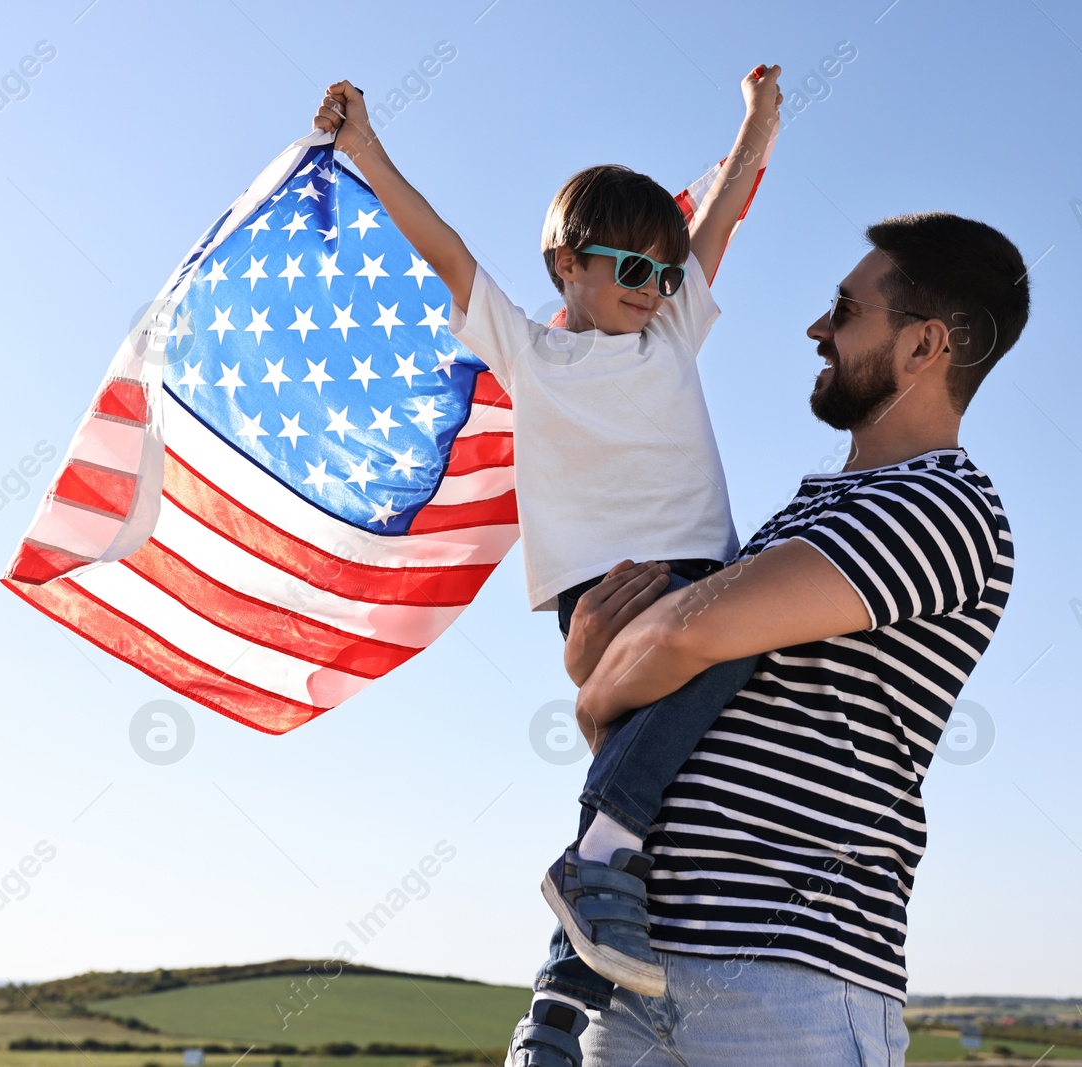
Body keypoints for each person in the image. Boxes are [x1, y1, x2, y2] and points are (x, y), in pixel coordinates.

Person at [312, 63, 784, 1019]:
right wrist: (366, 147)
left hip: (699, 566)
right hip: (607, 587)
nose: (656, 290)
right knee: (737, 649)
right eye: (633, 270)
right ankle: (602, 848)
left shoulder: (670, 333)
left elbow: (723, 215)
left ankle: (563, 995)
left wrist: (757, 123)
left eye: (665, 272)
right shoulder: (533, 351)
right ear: (567, 263)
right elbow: (446, 252)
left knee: (682, 778)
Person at [516, 213, 1030, 1065]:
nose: (817, 329)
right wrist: (612, 683)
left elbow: (689, 631)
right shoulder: (797, 519)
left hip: (788, 990)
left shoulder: (945, 505)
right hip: (631, 969)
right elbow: (644, 733)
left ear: (925, 345)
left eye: (845, 309)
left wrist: (594, 682)